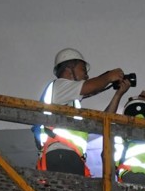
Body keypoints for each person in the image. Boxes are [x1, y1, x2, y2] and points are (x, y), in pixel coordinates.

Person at [34, 48, 126, 176]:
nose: (86, 76)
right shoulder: (59, 86)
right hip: (61, 154)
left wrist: (118, 95)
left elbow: (104, 121)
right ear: (69, 68)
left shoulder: (70, 107)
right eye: (83, 69)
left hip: (69, 156)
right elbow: (90, 86)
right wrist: (109, 76)